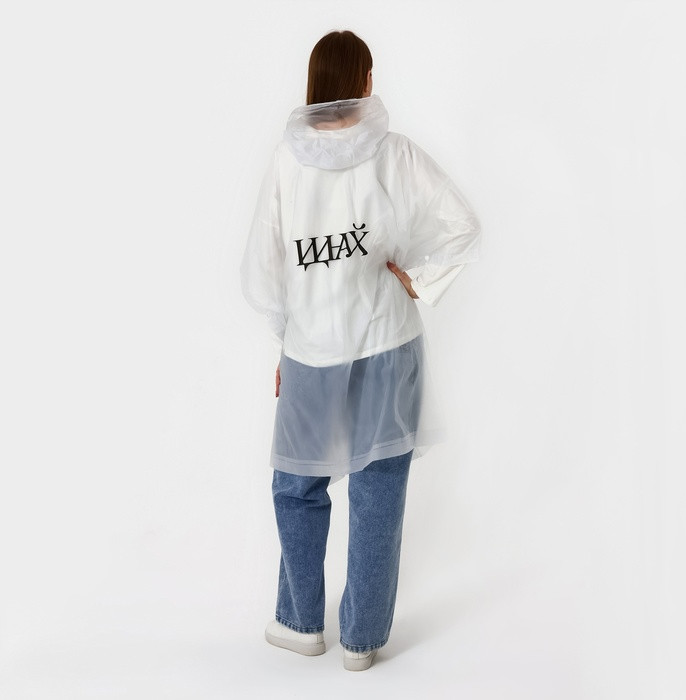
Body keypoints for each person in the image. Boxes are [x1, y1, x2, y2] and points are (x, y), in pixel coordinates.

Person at [240, 30, 481, 671]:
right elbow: (462, 223)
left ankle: (300, 624)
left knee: (297, 485)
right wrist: (419, 279)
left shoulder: (287, 162)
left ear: (316, 81)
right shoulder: (394, 154)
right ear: (366, 81)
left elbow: (265, 269)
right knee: (379, 488)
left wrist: (284, 341)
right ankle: (362, 641)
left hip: (312, 348)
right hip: (387, 344)